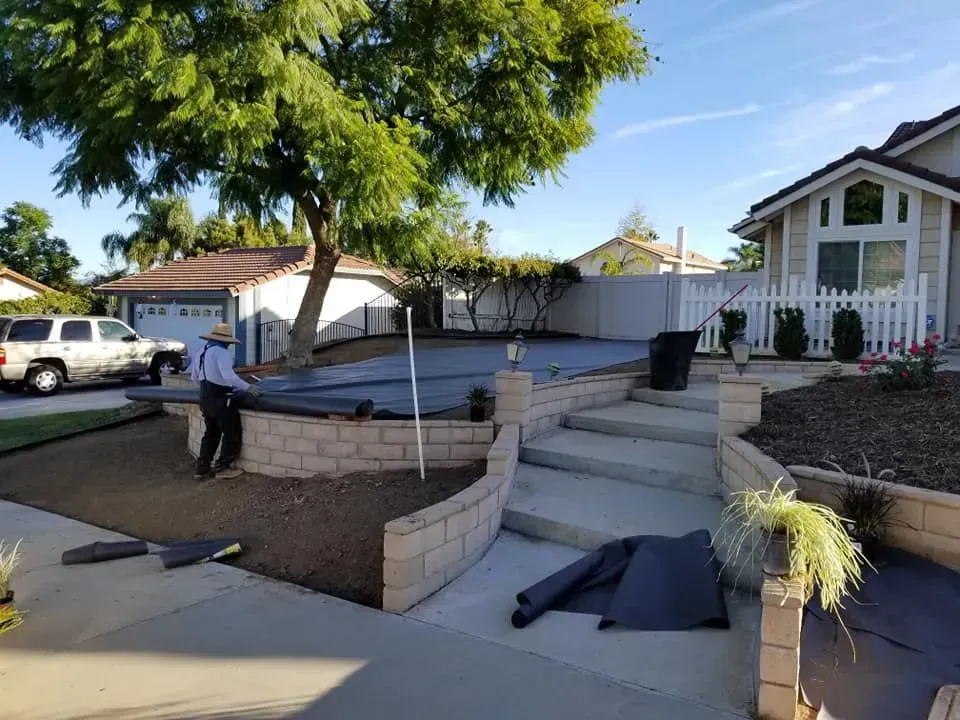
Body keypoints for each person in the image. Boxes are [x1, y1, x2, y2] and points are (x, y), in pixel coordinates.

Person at [189, 323, 262, 480]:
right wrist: (248, 388)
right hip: (222, 399)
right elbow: (229, 377)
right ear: (227, 341)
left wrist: (206, 391)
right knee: (231, 432)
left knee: (210, 434)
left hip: (205, 397)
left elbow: (194, 377)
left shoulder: (201, 352)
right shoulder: (221, 353)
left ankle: (201, 469)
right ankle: (223, 467)